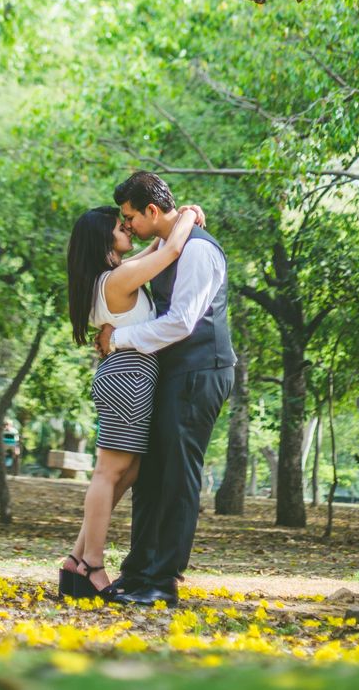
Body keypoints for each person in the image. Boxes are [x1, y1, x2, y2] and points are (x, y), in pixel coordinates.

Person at [95, 171, 235, 607]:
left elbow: (181, 322)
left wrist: (117, 340)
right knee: (151, 475)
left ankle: (163, 581)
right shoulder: (171, 243)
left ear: (151, 211)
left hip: (200, 371)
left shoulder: (197, 251)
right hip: (173, 373)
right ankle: (138, 573)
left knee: (177, 476)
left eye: (130, 217)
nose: (128, 226)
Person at [60, 200, 205, 599]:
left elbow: (156, 250)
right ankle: (91, 564)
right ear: (102, 236)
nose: (126, 225)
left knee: (128, 472)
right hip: (127, 378)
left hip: (131, 377)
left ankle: (75, 560)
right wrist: (189, 216)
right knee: (109, 473)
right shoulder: (116, 281)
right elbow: (171, 250)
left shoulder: (113, 275)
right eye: (118, 223)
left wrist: (177, 217)